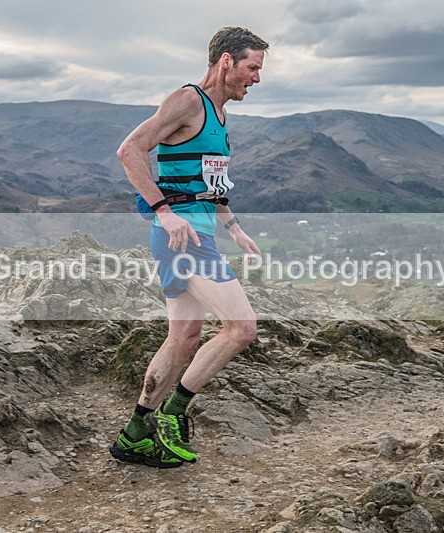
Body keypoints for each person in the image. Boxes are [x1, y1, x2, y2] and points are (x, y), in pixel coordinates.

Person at [110, 26, 269, 468]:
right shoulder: (187, 101)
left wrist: (234, 227)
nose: (257, 78)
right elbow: (130, 150)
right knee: (242, 328)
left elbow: (208, 185)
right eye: (252, 67)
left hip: (198, 234)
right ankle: (173, 412)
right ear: (226, 61)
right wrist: (163, 211)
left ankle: (134, 434)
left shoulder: (219, 115)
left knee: (183, 339)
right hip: (181, 238)